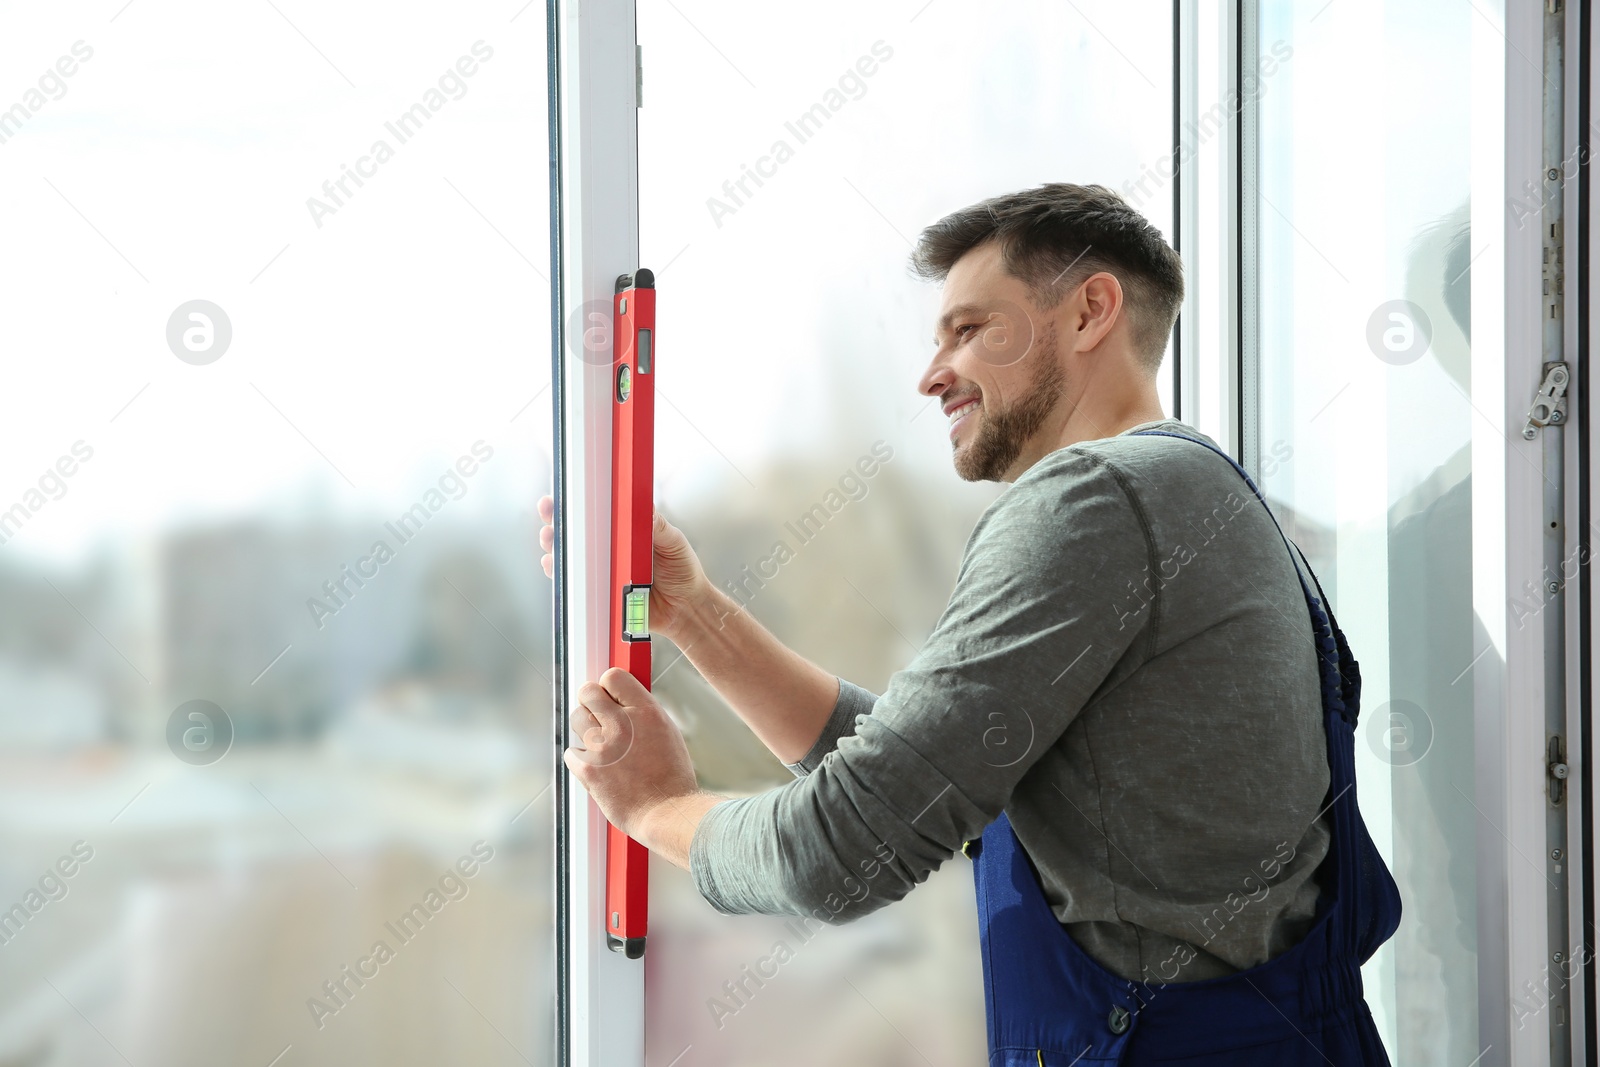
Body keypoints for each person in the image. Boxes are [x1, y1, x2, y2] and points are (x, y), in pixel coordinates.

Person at [539, 182, 1399, 1063]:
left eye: (970, 328)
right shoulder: (1199, 488)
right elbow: (928, 768)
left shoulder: (1091, 500)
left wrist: (656, 806)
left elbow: (843, 849)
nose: (932, 373)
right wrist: (696, 613)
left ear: (1091, 311)